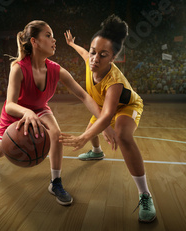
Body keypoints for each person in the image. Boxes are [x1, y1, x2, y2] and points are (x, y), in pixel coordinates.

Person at [0, 20, 101, 206]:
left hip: (40, 109)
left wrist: (103, 120)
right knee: (2, 150)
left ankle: (56, 182)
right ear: (34, 42)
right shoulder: (18, 68)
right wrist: (26, 112)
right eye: (49, 35)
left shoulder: (56, 70)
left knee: (56, 134)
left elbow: (84, 96)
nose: (54, 40)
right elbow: (10, 104)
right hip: (16, 113)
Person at [60, 15, 157, 222]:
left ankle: (145, 194)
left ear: (113, 58)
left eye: (103, 55)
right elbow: (84, 52)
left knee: (121, 134)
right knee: (95, 127)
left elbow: (107, 117)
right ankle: (96, 152)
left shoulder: (114, 82)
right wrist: (72, 44)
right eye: (94, 52)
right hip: (104, 106)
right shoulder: (90, 59)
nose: (95, 58)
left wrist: (83, 137)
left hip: (127, 106)